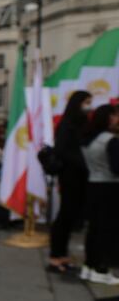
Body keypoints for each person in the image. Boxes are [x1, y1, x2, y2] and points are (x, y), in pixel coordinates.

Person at [48, 90, 92, 275]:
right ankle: (55, 256)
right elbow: (62, 151)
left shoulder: (80, 123)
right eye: (87, 102)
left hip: (80, 176)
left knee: (70, 216)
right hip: (70, 175)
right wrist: (83, 161)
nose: (89, 105)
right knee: (65, 216)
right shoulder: (67, 125)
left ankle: (63, 255)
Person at [80, 104, 119, 285]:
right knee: (106, 229)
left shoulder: (89, 139)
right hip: (109, 187)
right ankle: (101, 269)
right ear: (108, 118)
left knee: (94, 229)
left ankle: (89, 266)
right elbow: (116, 168)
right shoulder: (110, 140)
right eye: (115, 116)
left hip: (93, 185)